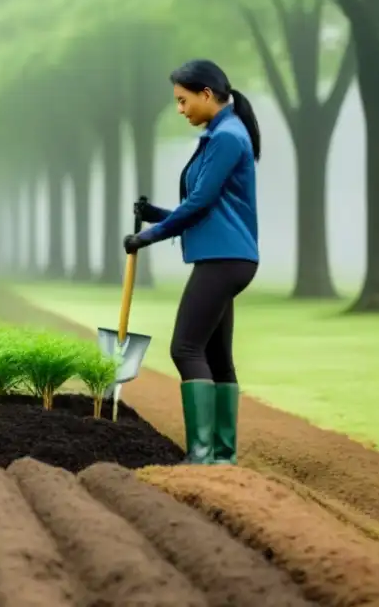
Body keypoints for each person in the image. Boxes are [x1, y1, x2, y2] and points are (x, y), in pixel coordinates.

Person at [122, 60, 260, 465]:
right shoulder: (223, 133)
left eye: (183, 101)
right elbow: (207, 207)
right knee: (216, 358)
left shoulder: (227, 137)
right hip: (227, 255)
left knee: (185, 349)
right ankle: (222, 455)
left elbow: (199, 204)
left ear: (206, 94)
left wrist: (148, 237)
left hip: (222, 258)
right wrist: (157, 215)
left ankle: (202, 455)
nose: (180, 109)